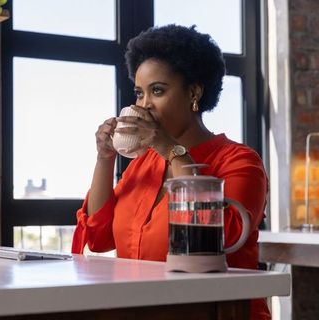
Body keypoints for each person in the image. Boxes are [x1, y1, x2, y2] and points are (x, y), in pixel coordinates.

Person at [71, 24, 270, 320]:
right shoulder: (142, 165)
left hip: (218, 312)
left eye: (158, 91)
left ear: (194, 92)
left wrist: (171, 150)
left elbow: (220, 237)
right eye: (139, 94)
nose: (144, 105)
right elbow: (98, 240)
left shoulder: (240, 161)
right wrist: (105, 158)